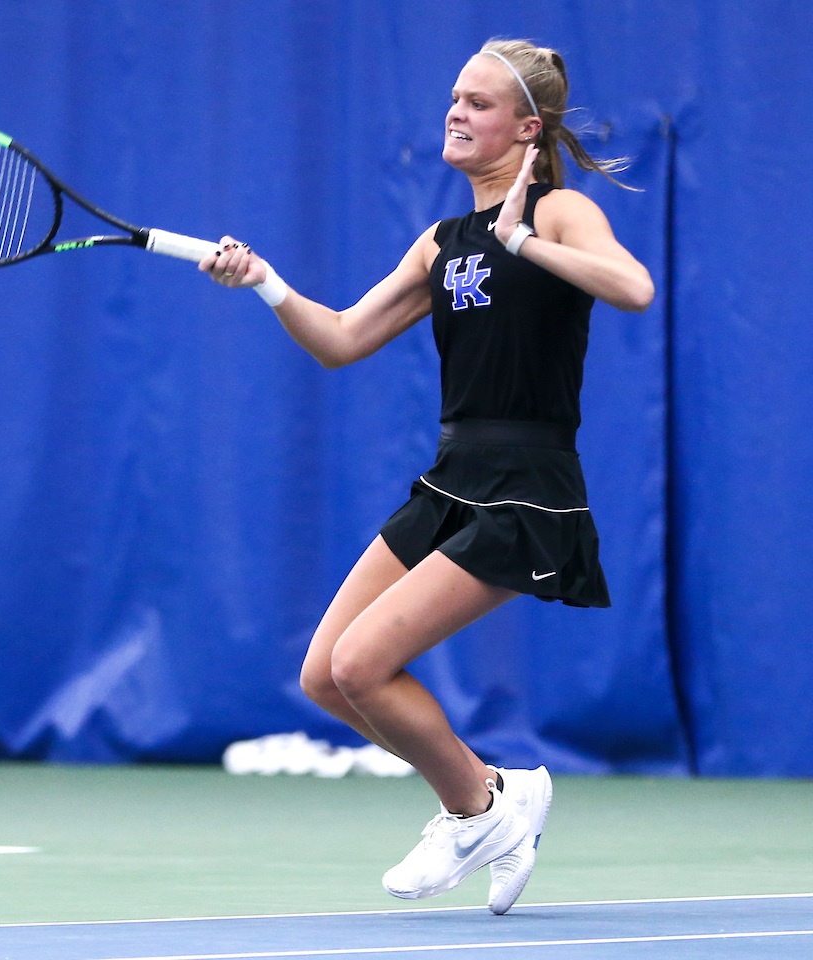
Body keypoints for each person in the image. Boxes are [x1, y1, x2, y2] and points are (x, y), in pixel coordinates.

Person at [199, 39, 653, 915]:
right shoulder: (440, 244)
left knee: (367, 664)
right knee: (325, 677)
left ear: (528, 128)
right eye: (454, 97)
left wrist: (526, 238)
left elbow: (631, 287)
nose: (455, 112)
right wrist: (263, 283)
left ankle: (478, 806)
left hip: (528, 483)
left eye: (478, 103)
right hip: (452, 479)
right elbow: (339, 340)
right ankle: (495, 798)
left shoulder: (562, 215)